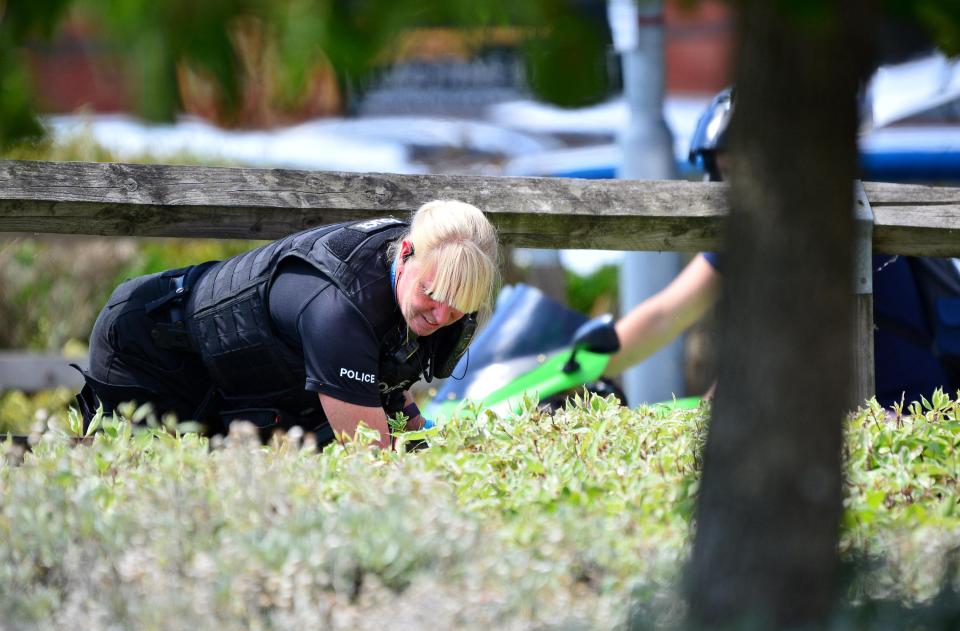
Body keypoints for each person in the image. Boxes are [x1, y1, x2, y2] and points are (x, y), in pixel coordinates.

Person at [606, 87, 960, 408]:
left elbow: (775, 346)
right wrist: (574, 362)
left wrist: (708, 409)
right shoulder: (760, 226)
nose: (735, 185)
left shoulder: (820, 224)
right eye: (726, 172)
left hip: (903, 420)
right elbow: (665, 313)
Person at [75, 200, 500, 448]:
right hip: (147, 345)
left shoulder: (408, 275)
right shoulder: (338, 309)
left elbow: (388, 378)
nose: (442, 316)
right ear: (405, 252)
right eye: (433, 294)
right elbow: (373, 460)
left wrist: (433, 443)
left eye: (459, 306)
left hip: (222, 374)